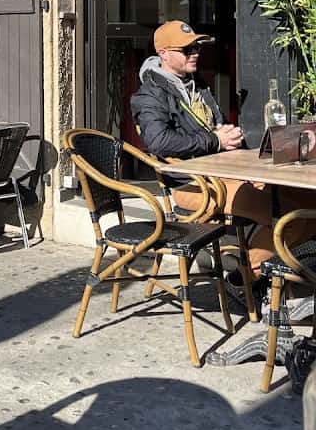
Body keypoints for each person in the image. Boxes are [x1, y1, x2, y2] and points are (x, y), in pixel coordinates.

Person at [130, 20, 316, 277]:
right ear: (163, 53)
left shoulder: (198, 85)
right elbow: (158, 142)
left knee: (308, 201)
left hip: (224, 172)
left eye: (196, 48)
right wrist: (215, 140)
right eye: (186, 50)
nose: (195, 54)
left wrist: (233, 140)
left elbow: (217, 127)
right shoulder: (149, 96)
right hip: (193, 185)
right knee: (293, 217)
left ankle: (284, 278)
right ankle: (247, 278)